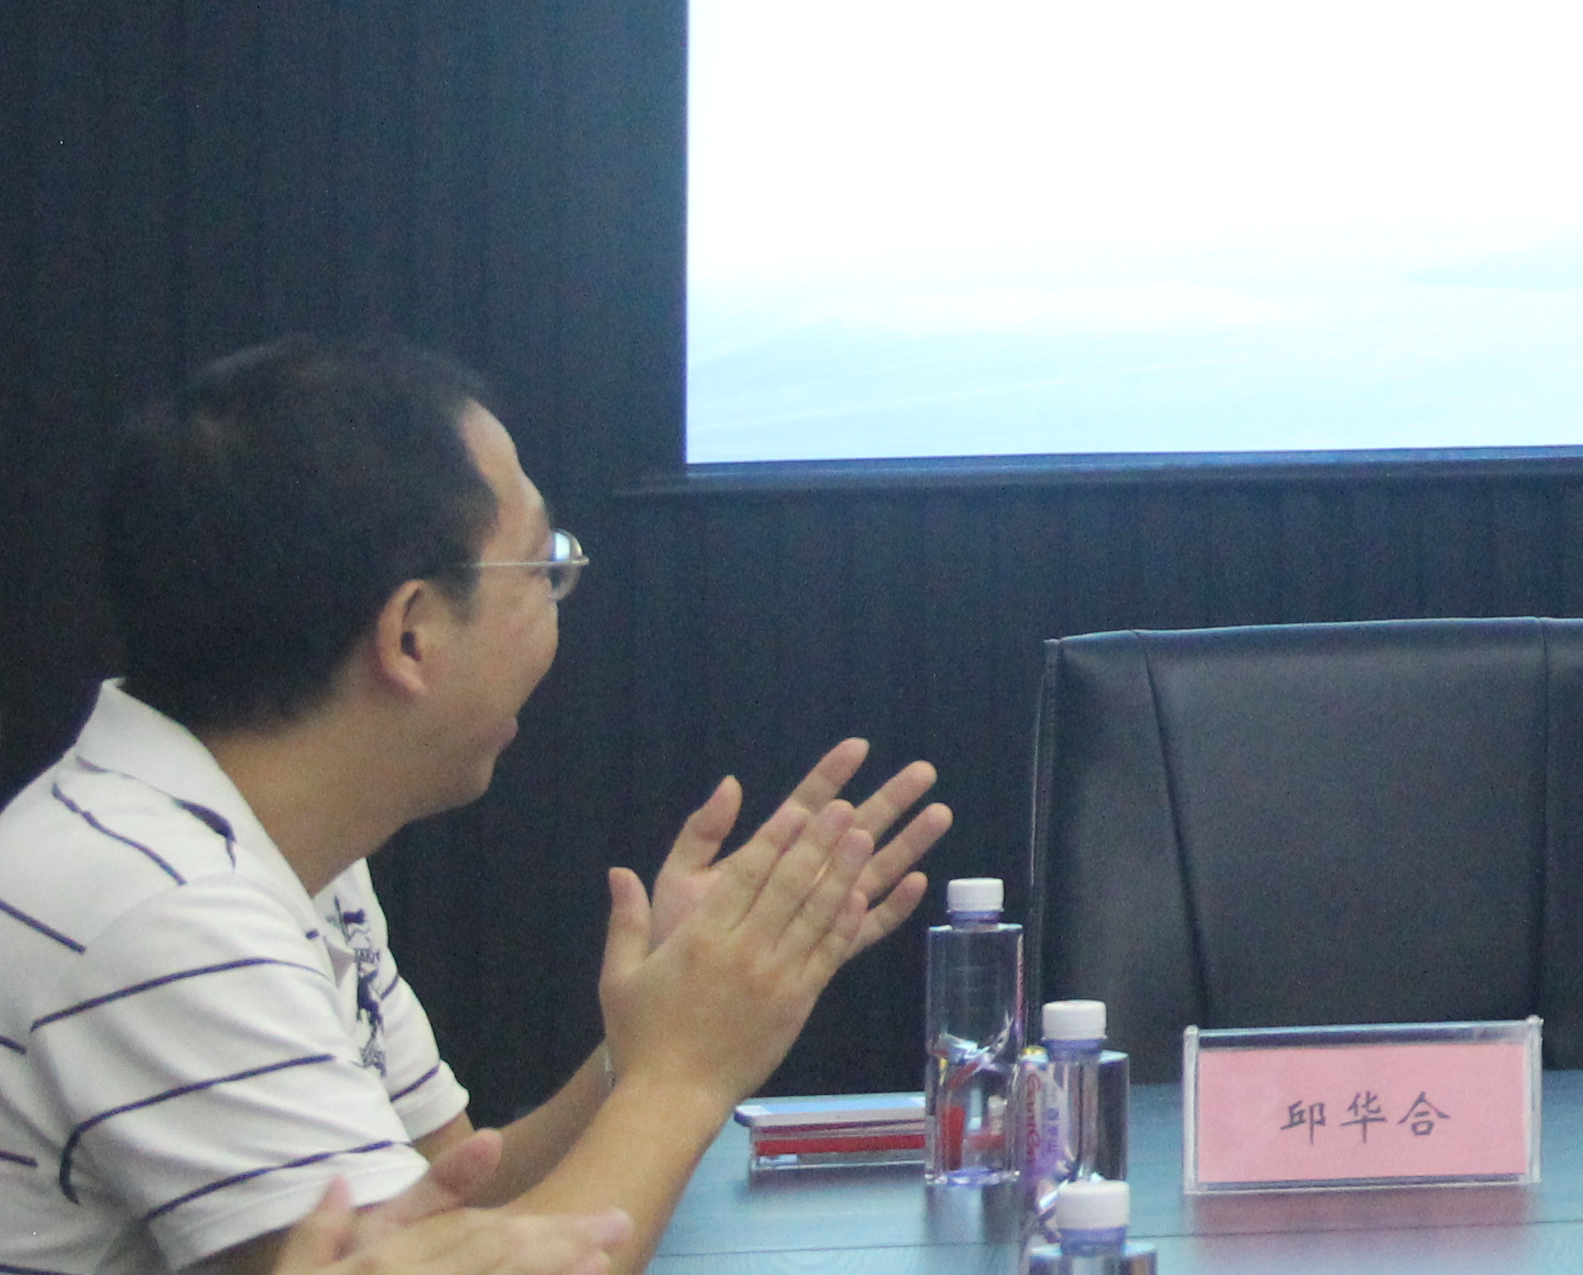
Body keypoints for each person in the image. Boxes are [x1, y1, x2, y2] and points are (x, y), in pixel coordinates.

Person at [1, 336, 945, 1275]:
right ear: (411, 635)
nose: (560, 596)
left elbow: (449, 1202)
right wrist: (687, 1071)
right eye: (542, 566)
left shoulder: (269, 846)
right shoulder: (166, 907)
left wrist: (648, 1039)